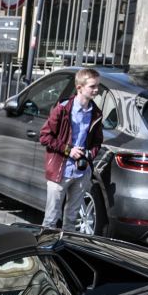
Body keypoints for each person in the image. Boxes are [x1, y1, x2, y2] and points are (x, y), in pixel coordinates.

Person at [38, 68, 104, 231]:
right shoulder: (62, 109)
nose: (96, 90)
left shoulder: (96, 113)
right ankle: (44, 252)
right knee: (51, 219)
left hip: (82, 173)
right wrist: (69, 150)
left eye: (97, 86)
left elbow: (97, 143)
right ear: (79, 87)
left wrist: (89, 155)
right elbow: (44, 136)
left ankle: (65, 252)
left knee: (72, 219)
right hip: (60, 171)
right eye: (92, 87)